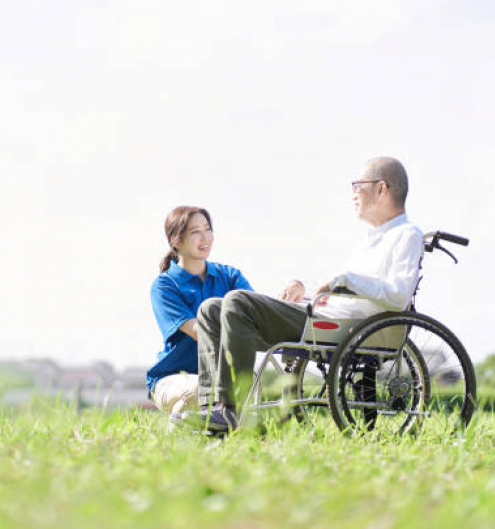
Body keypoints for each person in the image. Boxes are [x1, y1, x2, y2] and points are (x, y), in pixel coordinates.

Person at [176, 157, 424, 432]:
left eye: (358, 185)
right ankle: (212, 409)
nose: (353, 192)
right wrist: (306, 288)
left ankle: (232, 410)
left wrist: (345, 279)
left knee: (237, 301)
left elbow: (398, 296)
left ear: (382, 189)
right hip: (323, 314)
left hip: (343, 327)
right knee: (210, 308)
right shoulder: (372, 238)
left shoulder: (407, 235)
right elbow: (342, 286)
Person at [148, 206, 253, 421]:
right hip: (175, 376)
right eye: (195, 232)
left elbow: (255, 315)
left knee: (255, 395)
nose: (204, 237)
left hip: (223, 376)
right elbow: (201, 332)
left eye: (208, 230)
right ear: (176, 240)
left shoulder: (230, 276)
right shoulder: (165, 286)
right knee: (203, 391)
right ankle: (176, 442)